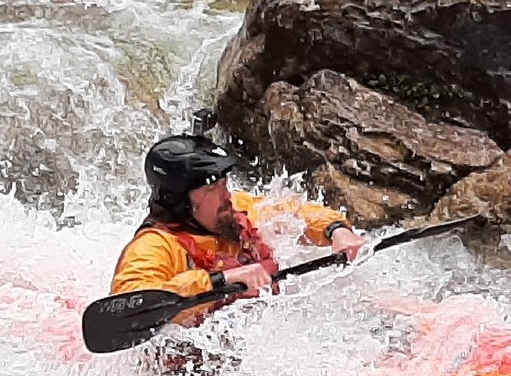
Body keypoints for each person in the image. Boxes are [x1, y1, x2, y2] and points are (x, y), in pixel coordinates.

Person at [110, 128, 369, 332]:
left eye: (224, 183)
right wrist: (221, 280)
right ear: (179, 200)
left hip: (261, 336)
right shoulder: (153, 246)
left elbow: (295, 213)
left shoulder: (235, 212)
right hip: (193, 372)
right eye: (212, 188)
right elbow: (125, 310)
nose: (226, 195)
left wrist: (336, 230)